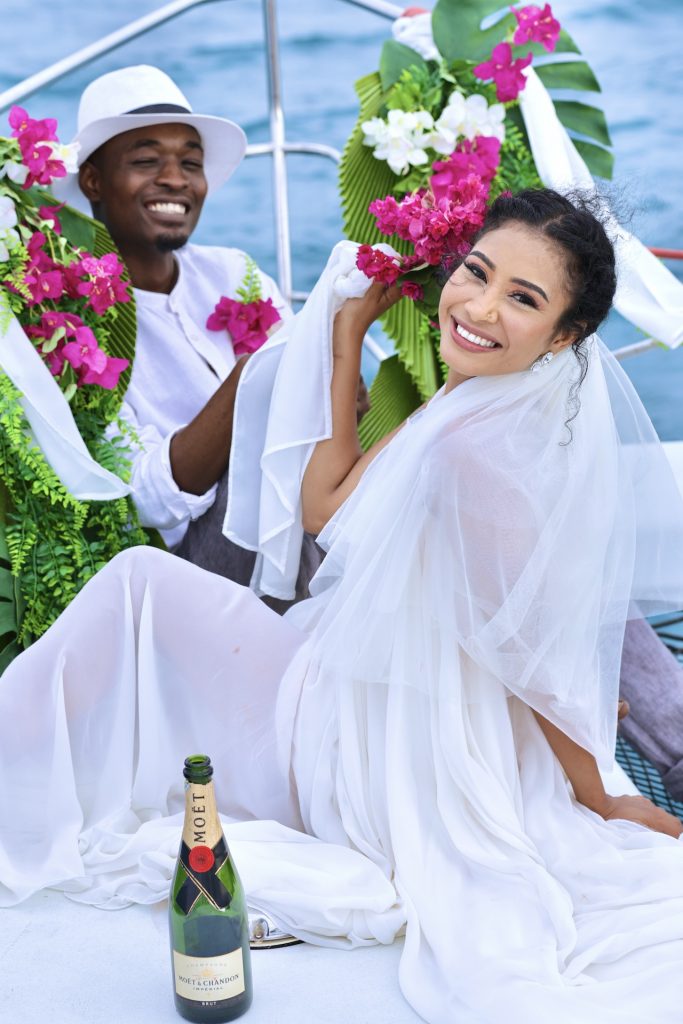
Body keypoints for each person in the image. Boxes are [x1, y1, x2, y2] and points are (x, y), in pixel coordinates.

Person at [2, 189, 683, 1023]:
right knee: (142, 586)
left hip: (366, 747)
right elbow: (327, 508)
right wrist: (346, 338)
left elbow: (524, 654)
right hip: (355, 681)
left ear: (565, 336)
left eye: (522, 298)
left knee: (137, 584)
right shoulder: (471, 405)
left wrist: (596, 793)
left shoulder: (476, 450)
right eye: (476, 272)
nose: (477, 305)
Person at [59, 64, 322, 605]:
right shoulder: (75, 325)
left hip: (289, 515)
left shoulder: (231, 271)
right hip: (178, 572)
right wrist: (252, 383)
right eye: (146, 160)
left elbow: (320, 402)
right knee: (270, 469)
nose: (176, 179)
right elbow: (149, 503)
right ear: (93, 181)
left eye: (190, 163)